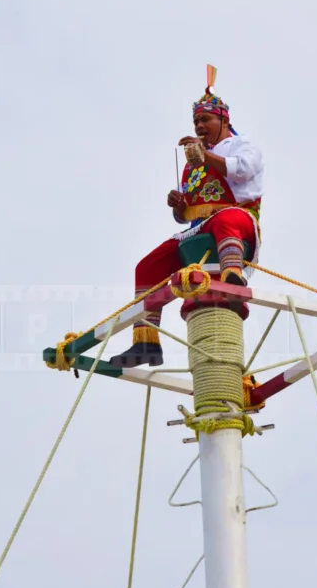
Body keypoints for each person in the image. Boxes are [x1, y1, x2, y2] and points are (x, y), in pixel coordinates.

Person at [109, 74, 264, 368]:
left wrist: (205, 155)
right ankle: (146, 341)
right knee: (147, 266)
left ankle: (233, 276)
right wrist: (179, 207)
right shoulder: (192, 165)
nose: (200, 127)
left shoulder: (243, 145)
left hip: (239, 220)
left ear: (224, 120)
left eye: (205, 120)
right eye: (196, 123)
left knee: (226, 218)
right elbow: (188, 214)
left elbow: (242, 171)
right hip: (200, 229)